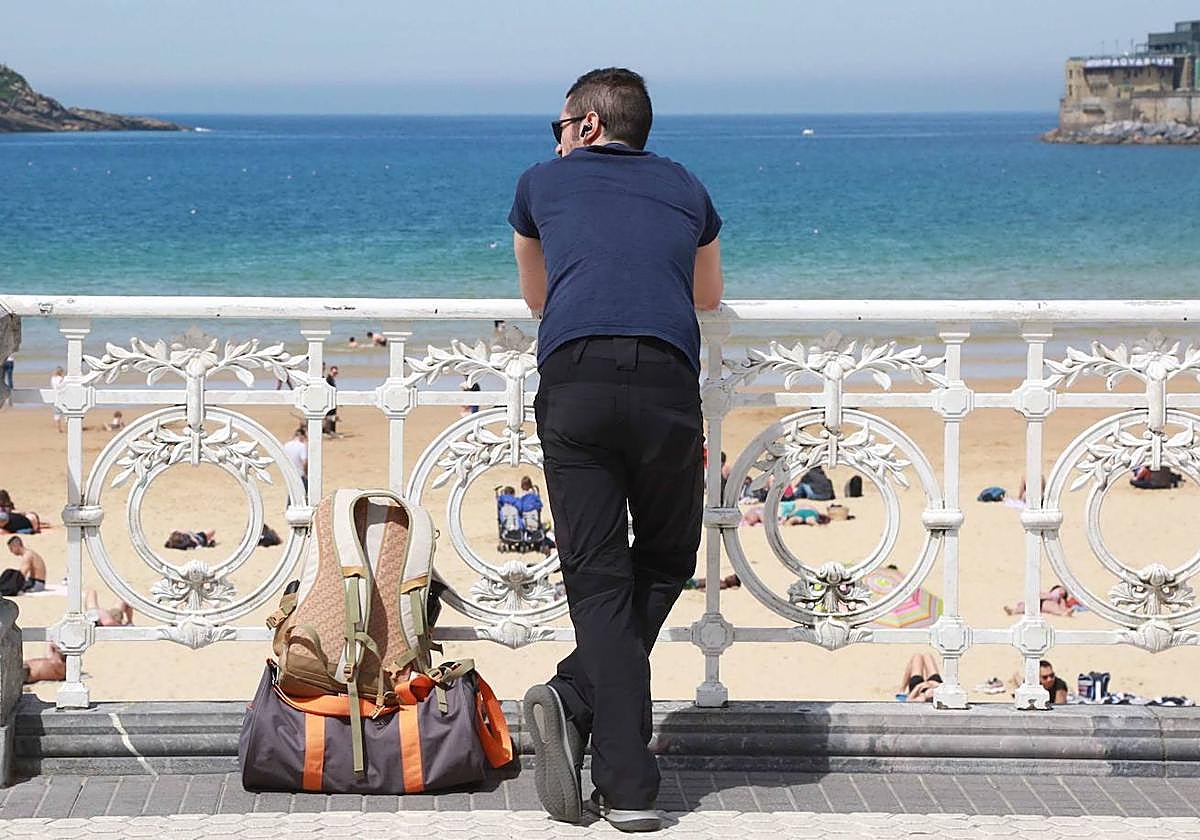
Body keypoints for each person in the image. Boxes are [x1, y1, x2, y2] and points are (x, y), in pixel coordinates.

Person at [514, 67, 723, 832]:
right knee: (666, 558)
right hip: (665, 381)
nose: (557, 139)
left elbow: (538, 299)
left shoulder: (540, 184)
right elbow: (706, 296)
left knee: (597, 579)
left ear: (589, 126)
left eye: (560, 126)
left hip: (573, 379)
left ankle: (590, 717)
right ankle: (590, 725)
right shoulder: (689, 188)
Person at [1004, 584, 1074, 616]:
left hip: (1047, 603)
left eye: (1064, 591)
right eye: (1061, 589)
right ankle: (1013, 611)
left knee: (1055, 608)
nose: (1062, 591)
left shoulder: (1061, 599)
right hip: (1041, 601)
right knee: (1026, 606)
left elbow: (1062, 606)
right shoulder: (1049, 593)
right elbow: (1039, 594)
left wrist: (1066, 609)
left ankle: (1064, 613)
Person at [282, 426, 309, 493]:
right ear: (302, 436)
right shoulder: (301, 446)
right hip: (300, 473)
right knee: (304, 493)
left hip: (289, 473)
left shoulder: (286, 445)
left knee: (292, 493)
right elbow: (304, 462)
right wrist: (306, 473)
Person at [50, 366, 65, 433]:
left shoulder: (53, 379)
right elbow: (63, 387)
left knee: (57, 414)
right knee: (65, 412)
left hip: (55, 397)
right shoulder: (61, 379)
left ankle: (58, 428)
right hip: (61, 397)